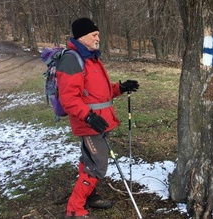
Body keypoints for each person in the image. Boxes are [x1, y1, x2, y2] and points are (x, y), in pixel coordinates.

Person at [57, 17, 139, 219]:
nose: (97, 38)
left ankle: (89, 196)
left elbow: (100, 93)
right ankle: (75, 209)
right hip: (89, 124)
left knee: (89, 162)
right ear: (81, 36)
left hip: (100, 122)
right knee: (97, 165)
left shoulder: (92, 58)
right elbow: (68, 98)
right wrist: (88, 117)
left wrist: (120, 88)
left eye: (98, 34)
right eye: (94, 34)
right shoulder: (72, 60)